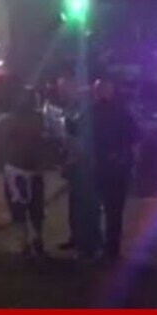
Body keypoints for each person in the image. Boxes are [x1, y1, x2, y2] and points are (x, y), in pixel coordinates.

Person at [0, 87, 49, 257]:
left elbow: (1, 144)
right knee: (34, 208)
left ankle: (27, 241)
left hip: (18, 170)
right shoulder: (37, 119)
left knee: (20, 208)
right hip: (25, 170)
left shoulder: (7, 121)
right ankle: (33, 240)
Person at [91, 78, 140, 261]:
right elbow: (136, 136)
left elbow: (79, 134)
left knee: (102, 206)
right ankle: (112, 247)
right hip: (118, 166)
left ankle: (103, 245)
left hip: (102, 166)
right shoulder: (122, 112)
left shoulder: (93, 112)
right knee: (115, 208)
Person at [61, 77, 101, 260]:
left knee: (88, 207)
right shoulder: (75, 112)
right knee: (75, 205)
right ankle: (77, 238)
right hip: (76, 164)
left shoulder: (89, 115)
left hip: (86, 165)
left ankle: (89, 244)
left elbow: (82, 140)